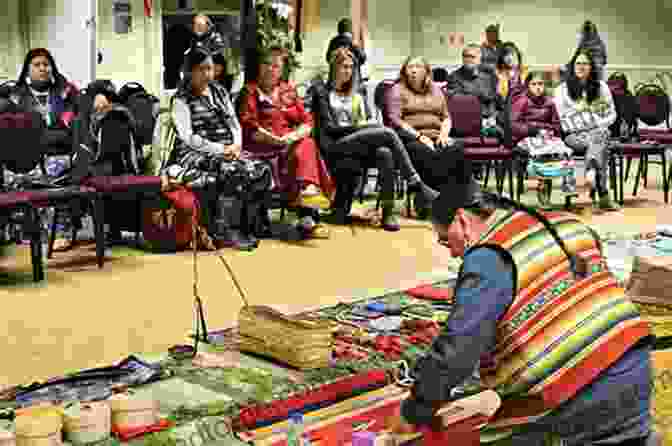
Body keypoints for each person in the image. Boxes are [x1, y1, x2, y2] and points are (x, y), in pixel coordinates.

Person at [397, 149, 655, 446]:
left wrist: (415, 409)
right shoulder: (567, 223)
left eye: (446, 241)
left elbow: (459, 346)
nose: (453, 252)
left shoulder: (489, 255)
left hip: (582, 396)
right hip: (636, 370)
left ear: (462, 220)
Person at [313, 48, 438, 230]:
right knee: (386, 133)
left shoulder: (357, 92)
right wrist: (364, 128)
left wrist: (366, 126)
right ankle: (415, 182)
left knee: (385, 152)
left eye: (351, 67)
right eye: (343, 67)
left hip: (356, 143)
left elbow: (366, 119)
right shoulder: (322, 92)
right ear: (334, 67)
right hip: (334, 145)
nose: (348, 71)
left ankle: (388, 213)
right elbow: (329, 129)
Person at [163, 46, 273, 250]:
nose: (208, 74)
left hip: (228, 148)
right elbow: (189, 137)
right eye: (202, 69)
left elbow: (234, 123)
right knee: (232, 170)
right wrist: (221, 150)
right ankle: (226, 229)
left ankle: (248, 225)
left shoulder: (219, 91)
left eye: (210, 69)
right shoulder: (181, 98)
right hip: (195, 153)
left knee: (261, 169)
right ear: (190, 71)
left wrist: (236, 145)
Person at [238, 47, 335, 239]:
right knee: (303, 151)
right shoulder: (249, 91)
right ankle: (308, 212)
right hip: (261, 147)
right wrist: (273, 139)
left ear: (281, 70)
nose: (270, 69)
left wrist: (293, 136)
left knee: (306, 143)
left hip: (287, 145)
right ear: (259, 67)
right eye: (266, 64)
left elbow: (307, 121)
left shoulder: (288, 91)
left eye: (275, 66)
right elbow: (248, 126)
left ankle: (308, 194)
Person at [386, 56, 463, 218]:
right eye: (409, 67)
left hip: (436, 135)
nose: (413, 70)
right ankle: (426, 200)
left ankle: (455, 198)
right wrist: (420, 136)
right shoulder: (397, 90)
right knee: (426, 152)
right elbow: (395, 120)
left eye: (418, 67)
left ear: (426, 71)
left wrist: (443, 134)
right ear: (404, 71)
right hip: (409, 138)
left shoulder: (436, 90)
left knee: (455, 148)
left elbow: (446, 117)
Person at [554, 49, 619, 210]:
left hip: (597, 132)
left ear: (591, 67)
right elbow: (562, 119)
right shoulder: (562, 90)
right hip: (573, 136)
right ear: (572, 66)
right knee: (601, 143)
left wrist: (597, 124)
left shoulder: (602, 88)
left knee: (601, 136)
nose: (581, 66)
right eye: (578, 63)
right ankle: (602, 194)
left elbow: (612, 114)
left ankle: (591, 171)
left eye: (585, 63)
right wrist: (586, 118)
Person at [512, 71, 577, 208]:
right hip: (527, 137)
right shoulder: (522, 101)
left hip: (547, 137)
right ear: (527, 86)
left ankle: (569, 186)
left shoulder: (550, 103)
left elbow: (557, 125)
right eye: (534, 84)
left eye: (540, 84)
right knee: (544, 153)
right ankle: (543, 191)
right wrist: (535, 130)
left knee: (563, 150)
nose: (537, 87)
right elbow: (514, 125)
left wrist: (550, 131)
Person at [10, 48, 79, 157]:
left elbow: (82, 105)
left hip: (63, 154)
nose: (42, 68)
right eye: (37, 65)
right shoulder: (16, 96)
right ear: (27, 70)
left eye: (46, 64)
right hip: (28, 157)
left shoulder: (65, 91)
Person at [445, 44, 499, 134]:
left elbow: (494, 100)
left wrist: (493, 117)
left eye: (472, 57)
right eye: (465, 56)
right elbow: (460, 101)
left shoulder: (489, 77)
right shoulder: (454, 77)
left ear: (479, 59)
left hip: (490, 119)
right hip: (467, 120)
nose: (468, 59)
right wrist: (481, 95)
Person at [326, 18, 367, 82]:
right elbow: (363, 58)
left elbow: (328, 59)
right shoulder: (353, 42)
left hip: (335, 82)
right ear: (351, 30)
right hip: (352, 83)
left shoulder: (334, 42)